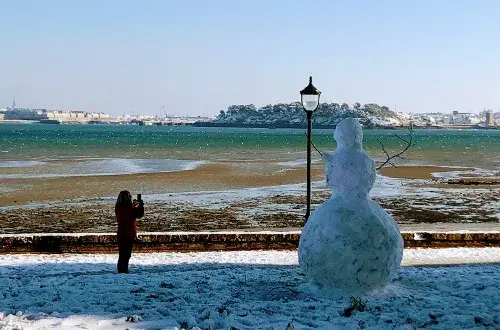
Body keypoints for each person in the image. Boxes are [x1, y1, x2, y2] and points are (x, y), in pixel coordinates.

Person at [115, 190, 144, 274]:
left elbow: (134, 213)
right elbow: (138, 214)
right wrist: (139, 206)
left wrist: (135, 206)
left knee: (123, 254)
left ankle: (122, 270)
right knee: (126, 255)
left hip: (122, 234)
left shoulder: (118, 207)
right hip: (128, 234)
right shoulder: (128, 208)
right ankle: (123, 271)